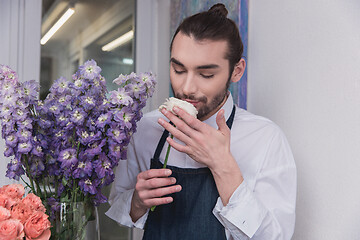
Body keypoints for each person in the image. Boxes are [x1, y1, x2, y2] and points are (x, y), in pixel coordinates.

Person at [106, 3, 296, 240]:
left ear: (236, 71)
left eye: (206, 75)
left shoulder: (266, 138)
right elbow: (118, 204)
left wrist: (222, 166)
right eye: (178, 69)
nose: (186, 88)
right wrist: (137, 201)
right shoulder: (146, 127)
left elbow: (275, 237)